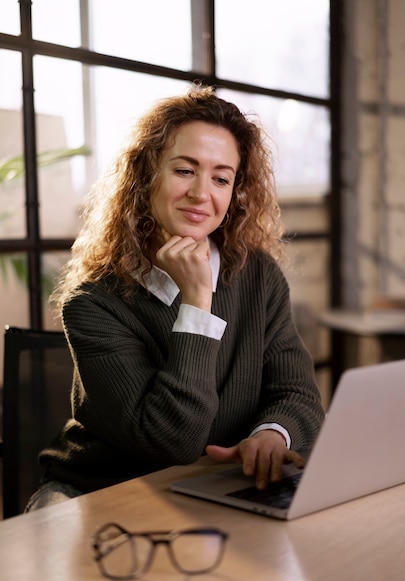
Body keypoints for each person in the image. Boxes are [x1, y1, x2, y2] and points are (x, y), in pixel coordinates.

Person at [26, 85, 325, 511]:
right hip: (99, 494)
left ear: (235, 192)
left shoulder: (258, 276)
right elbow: (173, 442)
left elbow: (298, 394)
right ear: (148, 174)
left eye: (221, 178)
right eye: (184, 170)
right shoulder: (93, 301)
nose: (202, 193)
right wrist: (197, 301)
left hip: (210, 487)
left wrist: (271, 435)